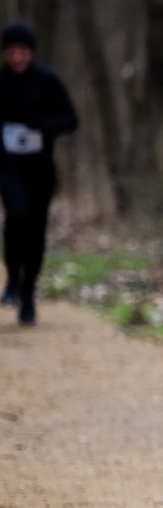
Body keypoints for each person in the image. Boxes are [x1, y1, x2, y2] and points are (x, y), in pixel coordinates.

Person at [0, 23, 78, 326]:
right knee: (16, 215)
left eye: (23, 51)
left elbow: (70, 120)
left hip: (40, 167)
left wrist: (43, 125)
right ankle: (12, 278)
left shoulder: (47, 81)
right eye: (12, 51)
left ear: (31, 52)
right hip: (8, 165)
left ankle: (29, 293)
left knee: (35, 230)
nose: (17, 57)